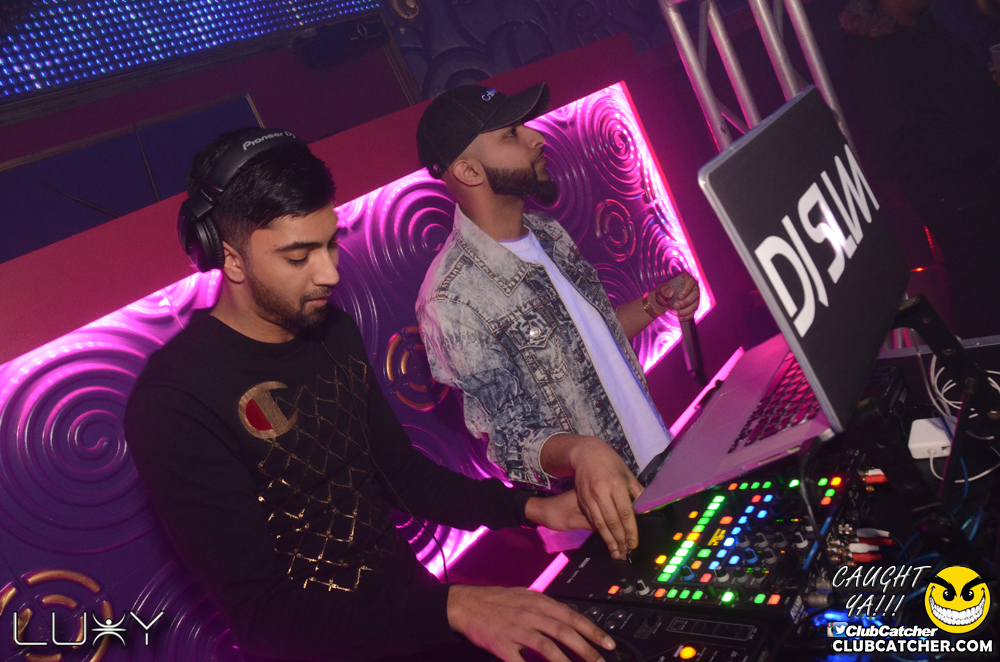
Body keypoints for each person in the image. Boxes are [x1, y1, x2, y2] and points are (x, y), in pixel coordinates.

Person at [124, 127, 617, 662]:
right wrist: (451, 607)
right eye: (298, 257)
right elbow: (264, 617)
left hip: (416, 615)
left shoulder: (331, 331)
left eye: (330, 242)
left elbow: (402, 475)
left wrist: (534, 508)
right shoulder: (175, 402)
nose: (329, 273)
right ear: (229, 258)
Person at [413, 83, 700, 562]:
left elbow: (589, 342)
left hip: (658, 465)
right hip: (600, 522)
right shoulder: (450, 298)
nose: (535, 138)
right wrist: (582, 452)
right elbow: (510, 437)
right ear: (468, 170)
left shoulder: (546, 231)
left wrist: (655, 304)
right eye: (511, 133)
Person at [839, 0, 1000, 338]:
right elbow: (898, 150)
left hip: (981, 187)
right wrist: (978, 131)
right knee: (983, 300)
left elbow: (955, 95)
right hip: (964, 202)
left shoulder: (924, 28)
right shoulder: (876, 54)